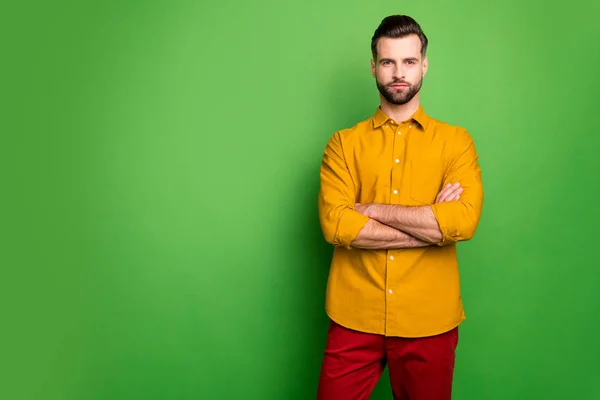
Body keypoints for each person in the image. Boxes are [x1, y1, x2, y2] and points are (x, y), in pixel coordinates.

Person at [316, 15, 484, 400]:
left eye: (409, 62)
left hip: (430, 321)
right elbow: (337, 226)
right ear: (374, 67)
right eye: (388, 62)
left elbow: (461, 221)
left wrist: (371, 209)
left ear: (424, 65)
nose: (398, 73)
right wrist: (430, 225)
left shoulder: (456, 143)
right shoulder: (343, 144)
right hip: (353, 317)